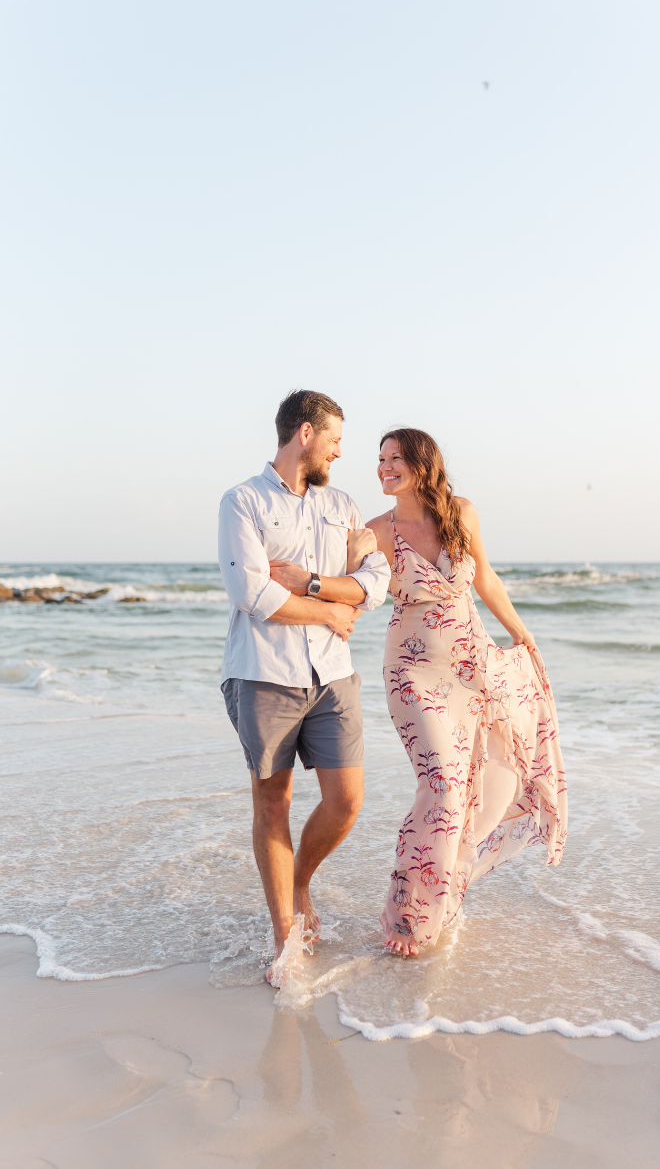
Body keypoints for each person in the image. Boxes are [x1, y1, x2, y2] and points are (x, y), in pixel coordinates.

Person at [365, 428, 567, 957]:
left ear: (422, 463)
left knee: (486, 780)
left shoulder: (462, 513)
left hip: (472, 668)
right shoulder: (374, 532)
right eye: (379, 460)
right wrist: (309, 592)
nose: (384, 468)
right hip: (412, 671)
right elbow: (352, 588)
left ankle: (443, 889)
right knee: (443, 787)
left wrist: (523, 637)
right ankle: (406, 915)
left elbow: (488, 581)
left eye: (395, 459)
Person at [217, 390, 389, 986]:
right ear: (307, 433)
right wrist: (329, 610)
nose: (341, 453)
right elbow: (254, 595)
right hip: (263, 674)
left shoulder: (341, 504)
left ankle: (298, 881)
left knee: (346, 800)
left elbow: (375, 580)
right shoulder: (241, 501)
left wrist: (316, 585)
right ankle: (284, 937)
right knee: (274, 803)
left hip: (332, 676)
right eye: (337, 440)